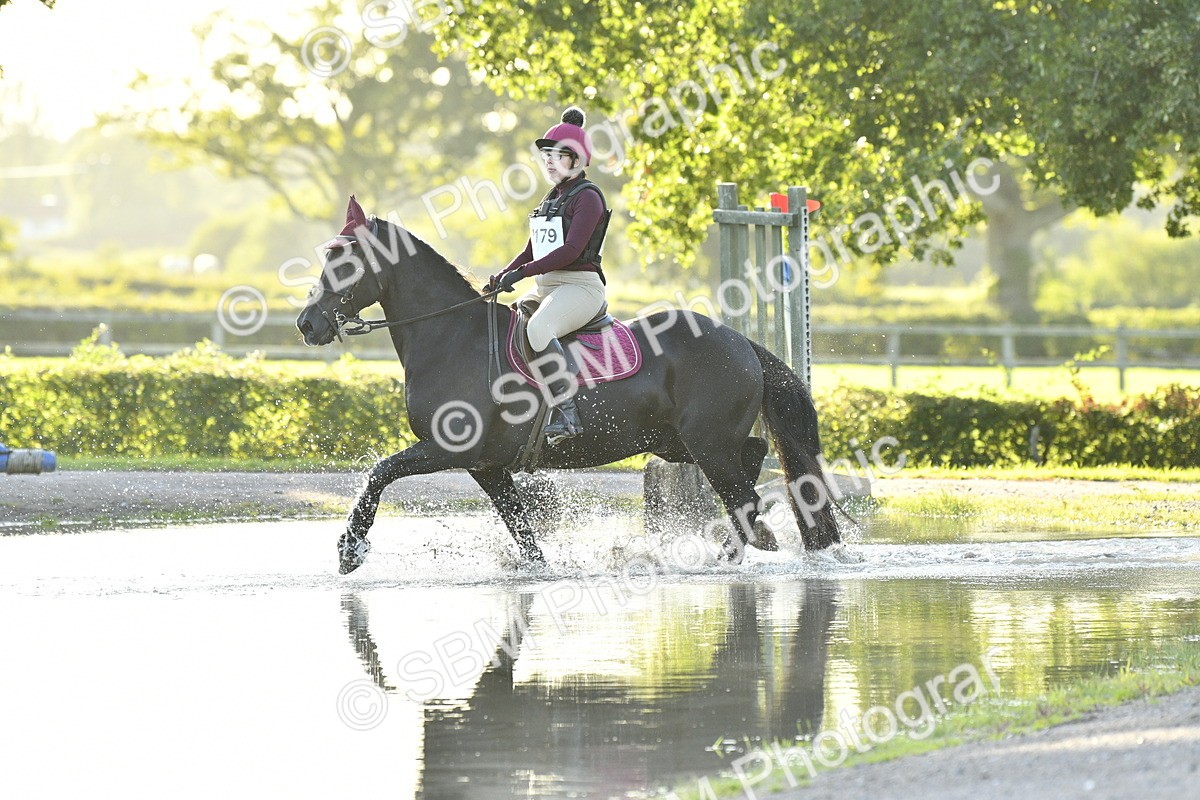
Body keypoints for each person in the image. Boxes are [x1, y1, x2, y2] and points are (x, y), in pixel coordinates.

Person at [485, 106, 612, 443]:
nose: (550, 162)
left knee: (541, 326)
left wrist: (522, 274)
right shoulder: (553, 198)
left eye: (558, 156)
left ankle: (567, 413)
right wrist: (504, 274)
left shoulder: (588, 198)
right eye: (547, 156)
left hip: (580, 288)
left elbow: (570, 251)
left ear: (577, 159)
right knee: (509, 322)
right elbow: (532, 250)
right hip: (548, 286)